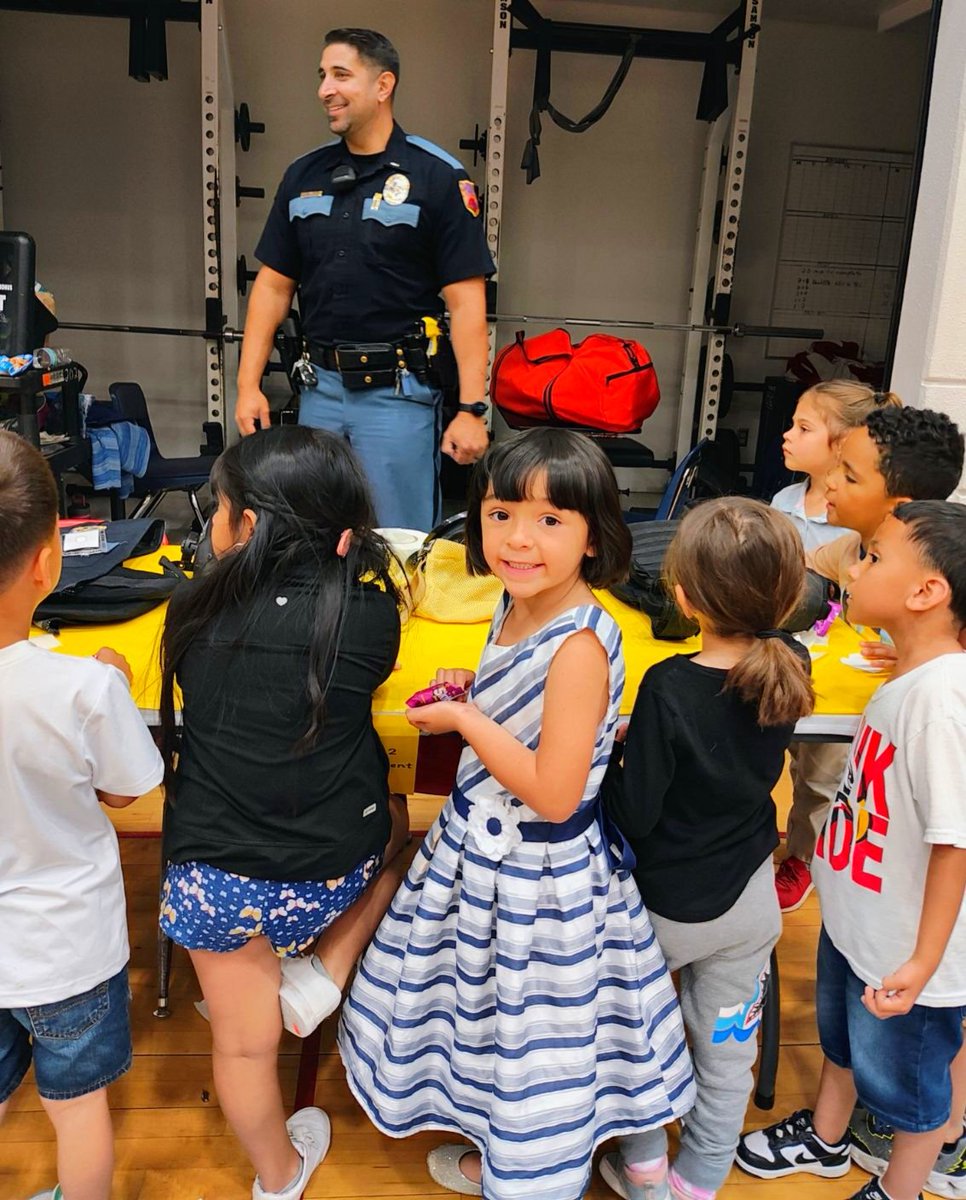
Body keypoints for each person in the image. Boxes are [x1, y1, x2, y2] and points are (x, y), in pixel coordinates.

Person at [338, 428, 695, 1199]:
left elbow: (557, 792)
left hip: (539, 876)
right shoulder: (517, 602)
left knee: (535, 1039)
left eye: (550, 521)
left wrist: (467, 722)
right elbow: (524, 709)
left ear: (594, 536)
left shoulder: (578, 647)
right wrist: (478, 691)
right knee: (490, 1018)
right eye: (500, 515)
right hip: (481, 860)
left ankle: (528, 1173)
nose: (518, 539)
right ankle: (502, 1147)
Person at [157, 426, 411, 1200]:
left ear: (243, 525)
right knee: (401, 831)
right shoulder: (371, 621)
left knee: (241, 1050)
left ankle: (277, 1179)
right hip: (328, 870)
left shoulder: (190, 610)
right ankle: (323, 971)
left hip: (211, 885)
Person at [737, 500, 966, 1200]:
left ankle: (898, 1189)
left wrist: (924, 961)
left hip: (906, 952)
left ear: (927, 592)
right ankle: (827, 1138)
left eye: (871, 555)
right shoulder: (918, 676)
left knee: (912, 1094)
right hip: (858, 921)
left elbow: (956, 841)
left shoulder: (942, 702)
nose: (852, 564)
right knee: (841, 1042)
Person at [599, 498, 814, 1200]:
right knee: (727, 1056)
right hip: (749, 906)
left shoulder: (666, 685)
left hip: (663, 911)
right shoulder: (793, 661)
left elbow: (637, 811)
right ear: (786, 593)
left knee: (634, 1043)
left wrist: (610, 769)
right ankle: (697, 1184)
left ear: (683, 596)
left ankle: (643, 1170)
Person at [235, 27, 495, 530]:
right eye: (321, 76)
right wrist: (249, 385)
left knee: (397, 543)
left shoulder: (437, 178)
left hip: (396, 398)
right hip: (320, 394)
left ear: (383, 85)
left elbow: (467, 305)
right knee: (313, 539)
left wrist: (472, 409)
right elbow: (272, 286)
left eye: (340, 75)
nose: (324, 90)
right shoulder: (302, 176)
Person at [0, 430, 164, 1200]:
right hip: (64, 948)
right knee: (77, 1111)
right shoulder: (81, 689)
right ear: (48, 560)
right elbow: (128, 789)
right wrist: (113, 684)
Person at [772, 382, 902, 913]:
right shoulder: (834, 533)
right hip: (804, 668)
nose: (788, 435)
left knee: (821, 777)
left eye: (805, 428)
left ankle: (804, 856)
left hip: (851, 692)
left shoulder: (880, 538)